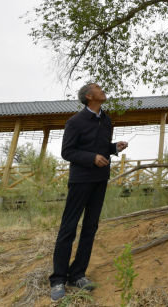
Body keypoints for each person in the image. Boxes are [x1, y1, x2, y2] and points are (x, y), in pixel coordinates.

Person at [49, 82, 128, 301]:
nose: (103, 89)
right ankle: (58, 279)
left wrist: (114, 148)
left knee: (90, 228)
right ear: (89, 96)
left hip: (100, 180)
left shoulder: (106, 120)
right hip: (80, 181)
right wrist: (92, 158)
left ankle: (77, 274)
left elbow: (101, 148)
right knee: (69, 228)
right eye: (98, 88)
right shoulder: (75, 122)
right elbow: (67, 151)